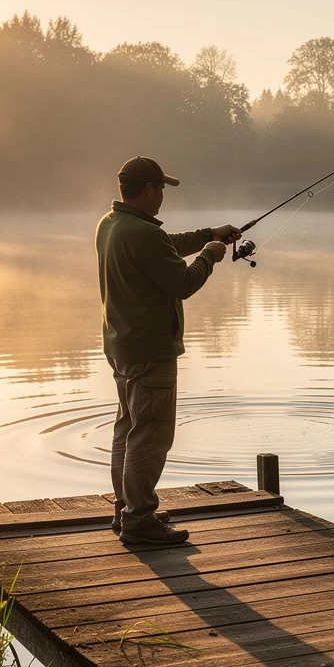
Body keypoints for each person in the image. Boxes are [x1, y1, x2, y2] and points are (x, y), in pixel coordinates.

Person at [96, 155, 240, 545]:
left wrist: (210, 233)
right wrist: (210, 255)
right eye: (160, 188)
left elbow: (166, 245)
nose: (163, 196)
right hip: (149, 350)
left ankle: (126, 509)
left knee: (128, 427)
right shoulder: (143, 234)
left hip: (121, 345)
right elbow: (182, 283)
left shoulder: (112, 225)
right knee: (152, 433)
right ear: (148, 190)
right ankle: (140, 520)